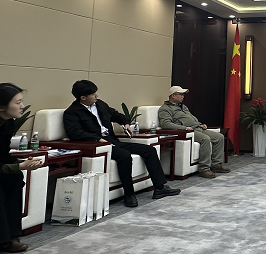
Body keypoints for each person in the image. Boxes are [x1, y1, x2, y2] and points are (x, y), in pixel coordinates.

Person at [63, 80, 180, 208]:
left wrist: (125, 123)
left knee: (149, 150)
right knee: (124, 155)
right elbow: (74, 133)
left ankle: (160, 188)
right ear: (83, 97)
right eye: (92, 94)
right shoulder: (72, 112)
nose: (96, 96)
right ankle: (129, 195)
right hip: (98, 145)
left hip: (113, 140)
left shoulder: (100, 104)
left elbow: (116, 115)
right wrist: (97, 139)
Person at [0, 83, 42, 254]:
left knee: (14, 177)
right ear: (1, 107)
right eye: (18, 102)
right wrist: (19, 165)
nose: (22, 106)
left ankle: (9, 237)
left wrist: (20, 164)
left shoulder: (8, 122)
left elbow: (1, 155)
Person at [157, 86, 230, 178]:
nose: (183, 96)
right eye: (180, 94)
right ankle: (204, 169)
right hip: (187, 132)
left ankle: (216, 165)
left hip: (197, 128)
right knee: (205, 139)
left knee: (219, 137)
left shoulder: (183, 107)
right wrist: (184, 128)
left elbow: (191, 119)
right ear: (173, 95)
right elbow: (166, 124)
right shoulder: (165, 109)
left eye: (183, 94)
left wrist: (200, 124)